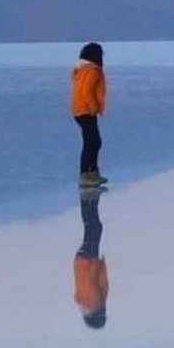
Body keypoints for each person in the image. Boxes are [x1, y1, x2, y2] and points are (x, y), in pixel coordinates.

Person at [71, 42, 108, 187]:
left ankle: (92, 172)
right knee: (92, 142)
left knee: (92, 142)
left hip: (79, 110)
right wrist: (93, 108)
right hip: (86, 111)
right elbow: (87, 91)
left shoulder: (81, 70)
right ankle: (86, 174)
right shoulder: (93, 70)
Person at [72, 189, 109, 329]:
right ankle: (88, 199)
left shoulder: (95, 302)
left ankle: (88, 198)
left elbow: (93, 281)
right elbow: (77, 295)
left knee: (94, 227)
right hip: (81, 262)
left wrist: (96, 262)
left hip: (88, 261)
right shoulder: (84, 303)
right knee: (92, 227)